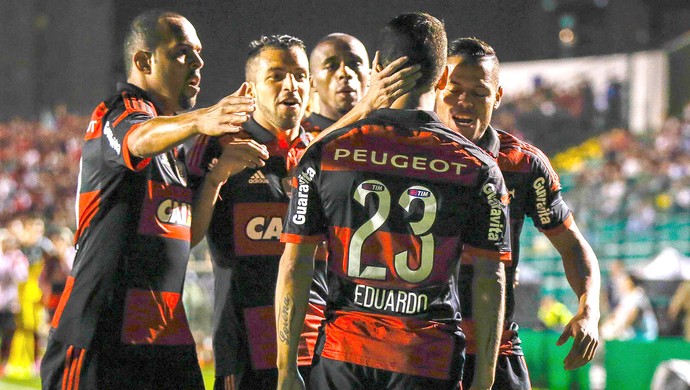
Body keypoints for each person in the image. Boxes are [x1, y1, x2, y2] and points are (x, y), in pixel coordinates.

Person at [276, 13, 511, 390]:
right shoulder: (478, 168)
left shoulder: (328, 153)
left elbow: (295, 263)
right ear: (444, 78)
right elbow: (490, 278)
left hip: (343, 356)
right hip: (427, 360)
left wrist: (286, 369)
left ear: (376, 68)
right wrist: (484, 379)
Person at [40, 10, 269, 389]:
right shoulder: (118, 112)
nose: (197, 62)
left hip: (164, 332)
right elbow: (137, 138)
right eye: (182, 52)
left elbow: (186, 235)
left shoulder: (174, 148)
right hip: (101, 333)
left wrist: (214, 177)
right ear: (144, 61)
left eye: (198, 52)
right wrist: (200, 120)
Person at [435, 37, 601, 389]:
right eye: (454, 88)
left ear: (497, 96)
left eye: (479, 92)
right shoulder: (406, 157)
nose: (464, 100)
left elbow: (572, 246)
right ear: (437, 87)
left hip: (497, 346)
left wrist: (589, 309)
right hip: (423, 343)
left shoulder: (524, 165)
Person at [302, 33, 370, 135]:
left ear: (370, 76)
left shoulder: (387, 137)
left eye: (355, 64)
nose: (344, 73)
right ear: (312, 81)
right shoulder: (296, 138)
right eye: (331, 66)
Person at [0, 230, 29, 376]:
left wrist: (16, 263)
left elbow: (23, 277)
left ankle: (3, 363)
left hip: (10, 303)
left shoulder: (17, 257)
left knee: (8, 335)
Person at [600, 272, 658, 341]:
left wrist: (616, 332)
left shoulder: (638, 296)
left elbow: (631, 318)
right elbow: (615, 315)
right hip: (630, 333)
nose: (622, 284)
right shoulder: (626, 297)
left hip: (643, 336)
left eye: (625, 281)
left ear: (631, 282)